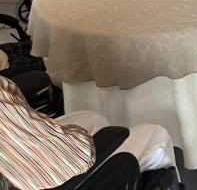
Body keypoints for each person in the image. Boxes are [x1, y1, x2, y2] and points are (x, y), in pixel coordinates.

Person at [0, 75, 176, 190]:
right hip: (50, 175)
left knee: (93, 118)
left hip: (19, 149)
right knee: (156, 134)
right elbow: (64, 161)